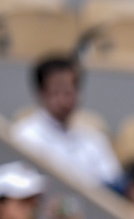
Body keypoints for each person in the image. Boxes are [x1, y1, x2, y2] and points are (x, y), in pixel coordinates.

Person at [12, 56, 119, 188]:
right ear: (41, 93)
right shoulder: (23, 137)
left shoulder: (94, 137)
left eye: (69, 91)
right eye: (57, 91)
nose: (64, 99)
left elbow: (114, 183)